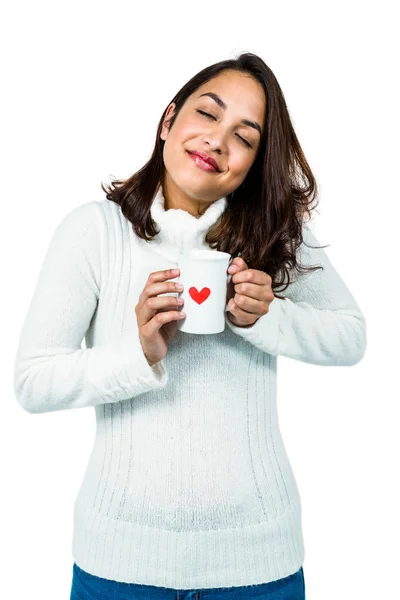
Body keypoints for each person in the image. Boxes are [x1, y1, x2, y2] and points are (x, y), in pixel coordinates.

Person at [13, 52, 366, 600]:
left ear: (252, 163)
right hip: (119, 565)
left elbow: (350, 335)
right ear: (168, 121)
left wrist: (269, 316)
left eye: (245, 137)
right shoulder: (92, 233)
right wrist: (139, 352)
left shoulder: (277, 233)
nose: (217, 141)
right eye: (207, 113)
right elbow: (33, 382)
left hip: (259, 565)